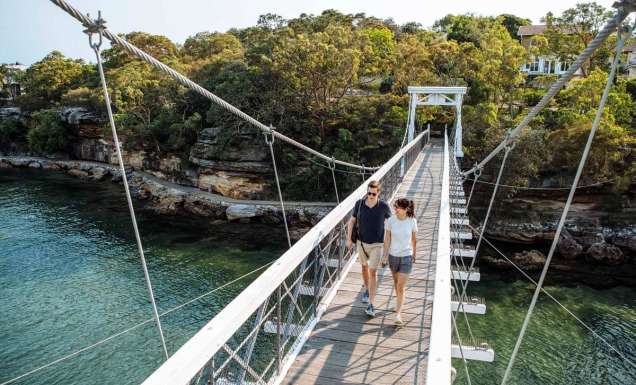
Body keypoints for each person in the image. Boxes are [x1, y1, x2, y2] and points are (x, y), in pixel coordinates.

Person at [346, 180, 391, 317]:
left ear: (378, 193)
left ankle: (371, 305)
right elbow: (352, 221)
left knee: (373, 272)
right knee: (364, 268)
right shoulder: (359, 204)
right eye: (368, 193)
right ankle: (366, 288)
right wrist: (349, 239)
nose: (370, 196)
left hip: (377, 244)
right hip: (361, 243)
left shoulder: (384, 206)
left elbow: (391, 225)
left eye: (373, 193)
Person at [383, 198, 417, 326]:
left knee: (401, 286)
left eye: (397, 207)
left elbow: (414, 239)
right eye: (395, 207)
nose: (395, 209)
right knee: (396, 283)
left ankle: (398, 314)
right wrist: (384, 256)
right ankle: (398, 302)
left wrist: (415, 253)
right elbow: (387, 239)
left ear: (405, 209)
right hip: (393, 256)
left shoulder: (412, 221)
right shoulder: (391, 220)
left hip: (407, 256)